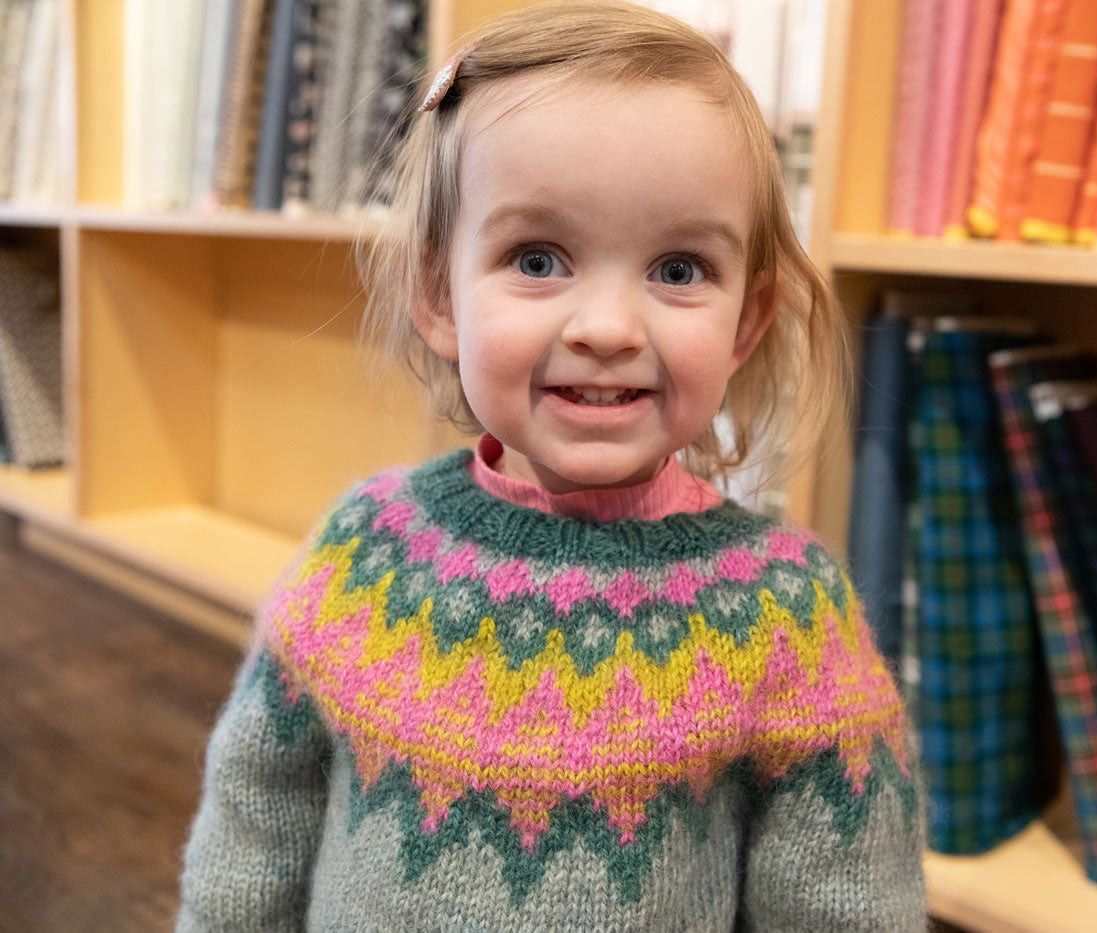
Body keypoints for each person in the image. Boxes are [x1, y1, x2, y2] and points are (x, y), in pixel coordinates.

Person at [177, 3, 925, 929]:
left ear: (747, 319)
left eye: (680, 269)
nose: (607, 328)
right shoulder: (361, 556)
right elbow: (253, 831)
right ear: (437, 293)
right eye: (538, 258)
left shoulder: (787, 613)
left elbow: (848, 905)